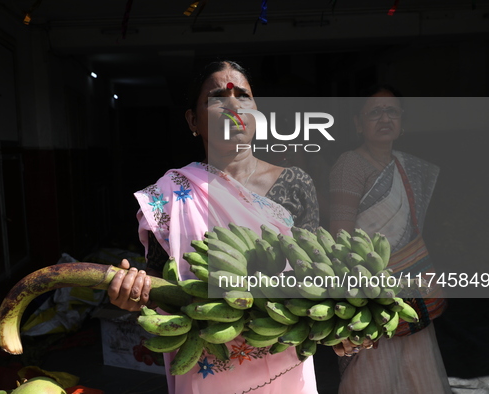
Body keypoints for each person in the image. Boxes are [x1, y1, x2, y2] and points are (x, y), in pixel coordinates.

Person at [108, 60, 320, 393]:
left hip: (284, 364)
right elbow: (165, 288)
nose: (234, 106)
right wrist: (135, 294)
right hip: (208, 366)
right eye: (218, 98)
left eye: (244, 97)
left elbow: (315, 275)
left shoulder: (294, 184)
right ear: (193, 120)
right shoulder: (170, 194)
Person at [328, 85, 451, 393]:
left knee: (417, 374)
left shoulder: (406, 165)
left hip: (413, 294)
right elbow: (340, 238)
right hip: (371, 295)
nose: (384, 118)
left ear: (403, 122)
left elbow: (413, 231)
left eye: (392, 111)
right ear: (358, 123)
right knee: (374, 374)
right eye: (374, 112)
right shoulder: (350, 165)